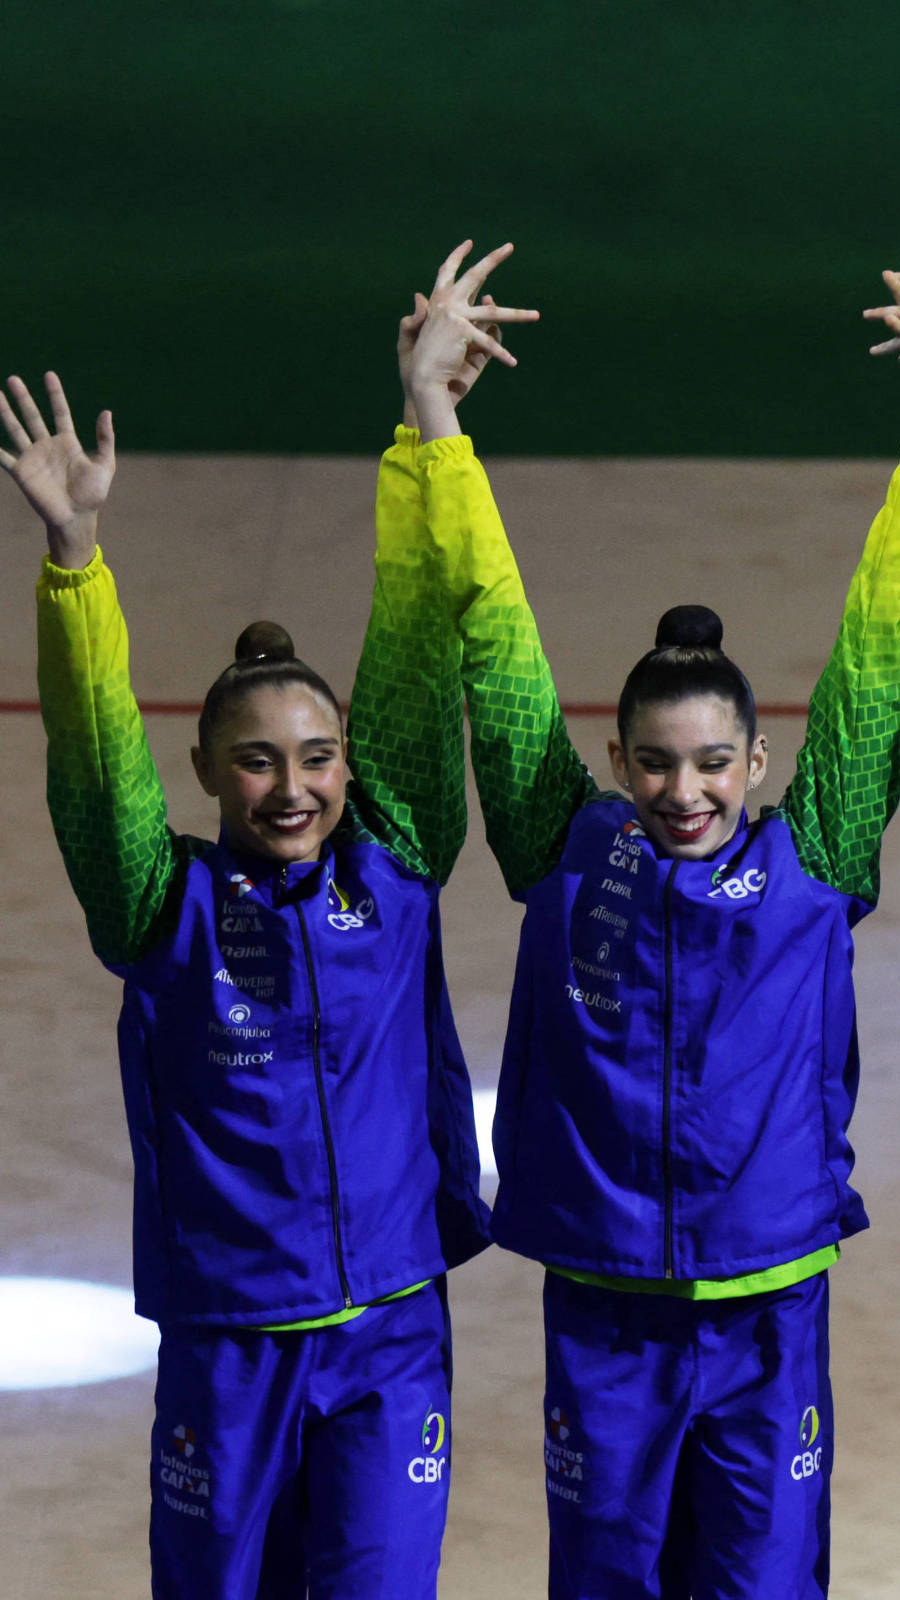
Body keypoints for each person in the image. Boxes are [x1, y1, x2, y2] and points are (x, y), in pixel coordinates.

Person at [437, 245, 900, 1597]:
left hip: (768, 1308)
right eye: (657, 764)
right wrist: (436, 425)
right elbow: (496, 643)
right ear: (616, 760)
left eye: (714, 763)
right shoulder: (566, 851)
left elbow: (876, 651)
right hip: (605, 1307)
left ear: (757, 761)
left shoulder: (815, 861)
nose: (685, 791)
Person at [13, 254, 521, 1594]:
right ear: (207, 772)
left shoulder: (393, 870)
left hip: (391, 1333)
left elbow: (413, 643)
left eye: (317, 756)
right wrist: (76, 564)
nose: (292, 787)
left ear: (349, 764)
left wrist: (425, 423)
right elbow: (96, 766)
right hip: (230, 1339)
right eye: (256, 761)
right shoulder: (162, 907)